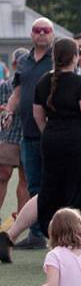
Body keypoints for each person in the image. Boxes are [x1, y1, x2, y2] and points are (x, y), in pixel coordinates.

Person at [31, 37, 81, 246]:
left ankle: (56, 235)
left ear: (54, 57)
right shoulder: (80, 83)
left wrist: (50, 133)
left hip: (52, 142)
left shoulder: (43, 82)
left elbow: (38, 116)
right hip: (78, 144)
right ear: (75, 57)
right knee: (80, 190)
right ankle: (74, 237)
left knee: (53, 190)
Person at [8, 17, 55, 248]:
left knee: (54, 184)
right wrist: (8, 111)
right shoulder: (24, 61)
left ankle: (57, 231)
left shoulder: (57, 59)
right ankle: (37, 235)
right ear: (31, 34)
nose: (42, 33)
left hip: (52, 134)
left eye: (46, 30)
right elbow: (17, 93)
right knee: (33, 185)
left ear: (53, 34)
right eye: (38, 30)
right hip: (28, 134)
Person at [0, 47, 29, 219]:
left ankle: (21, 217)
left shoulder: (34, 84)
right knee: (3, 175)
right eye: (20, 63)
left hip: (28, 135)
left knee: (25, 179)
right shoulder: (5, 86)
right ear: (14, 64)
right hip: (9, 135)